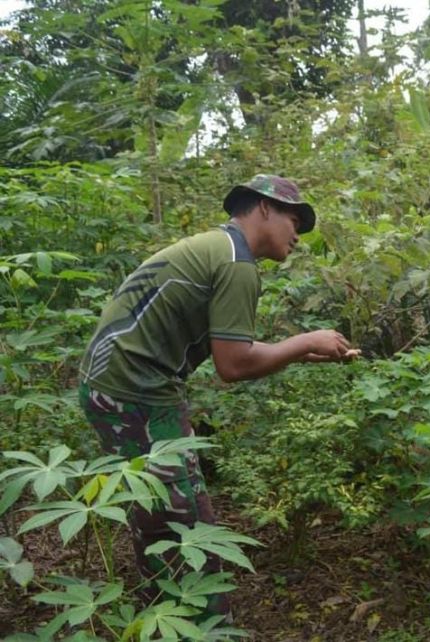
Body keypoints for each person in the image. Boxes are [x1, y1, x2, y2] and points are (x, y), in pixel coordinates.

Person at [78, 174, 355, 617]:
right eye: (293, 220)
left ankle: (184, 612)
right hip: (133, 394)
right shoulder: (235, 262)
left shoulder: (217, 248)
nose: (298, 235)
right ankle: (196, 621)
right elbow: (234, 366)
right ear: (263, 208)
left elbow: (235, 352)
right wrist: (305, 341)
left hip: (129, 388)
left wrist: (302, 353)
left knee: (181, 507)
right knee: (173, 517)